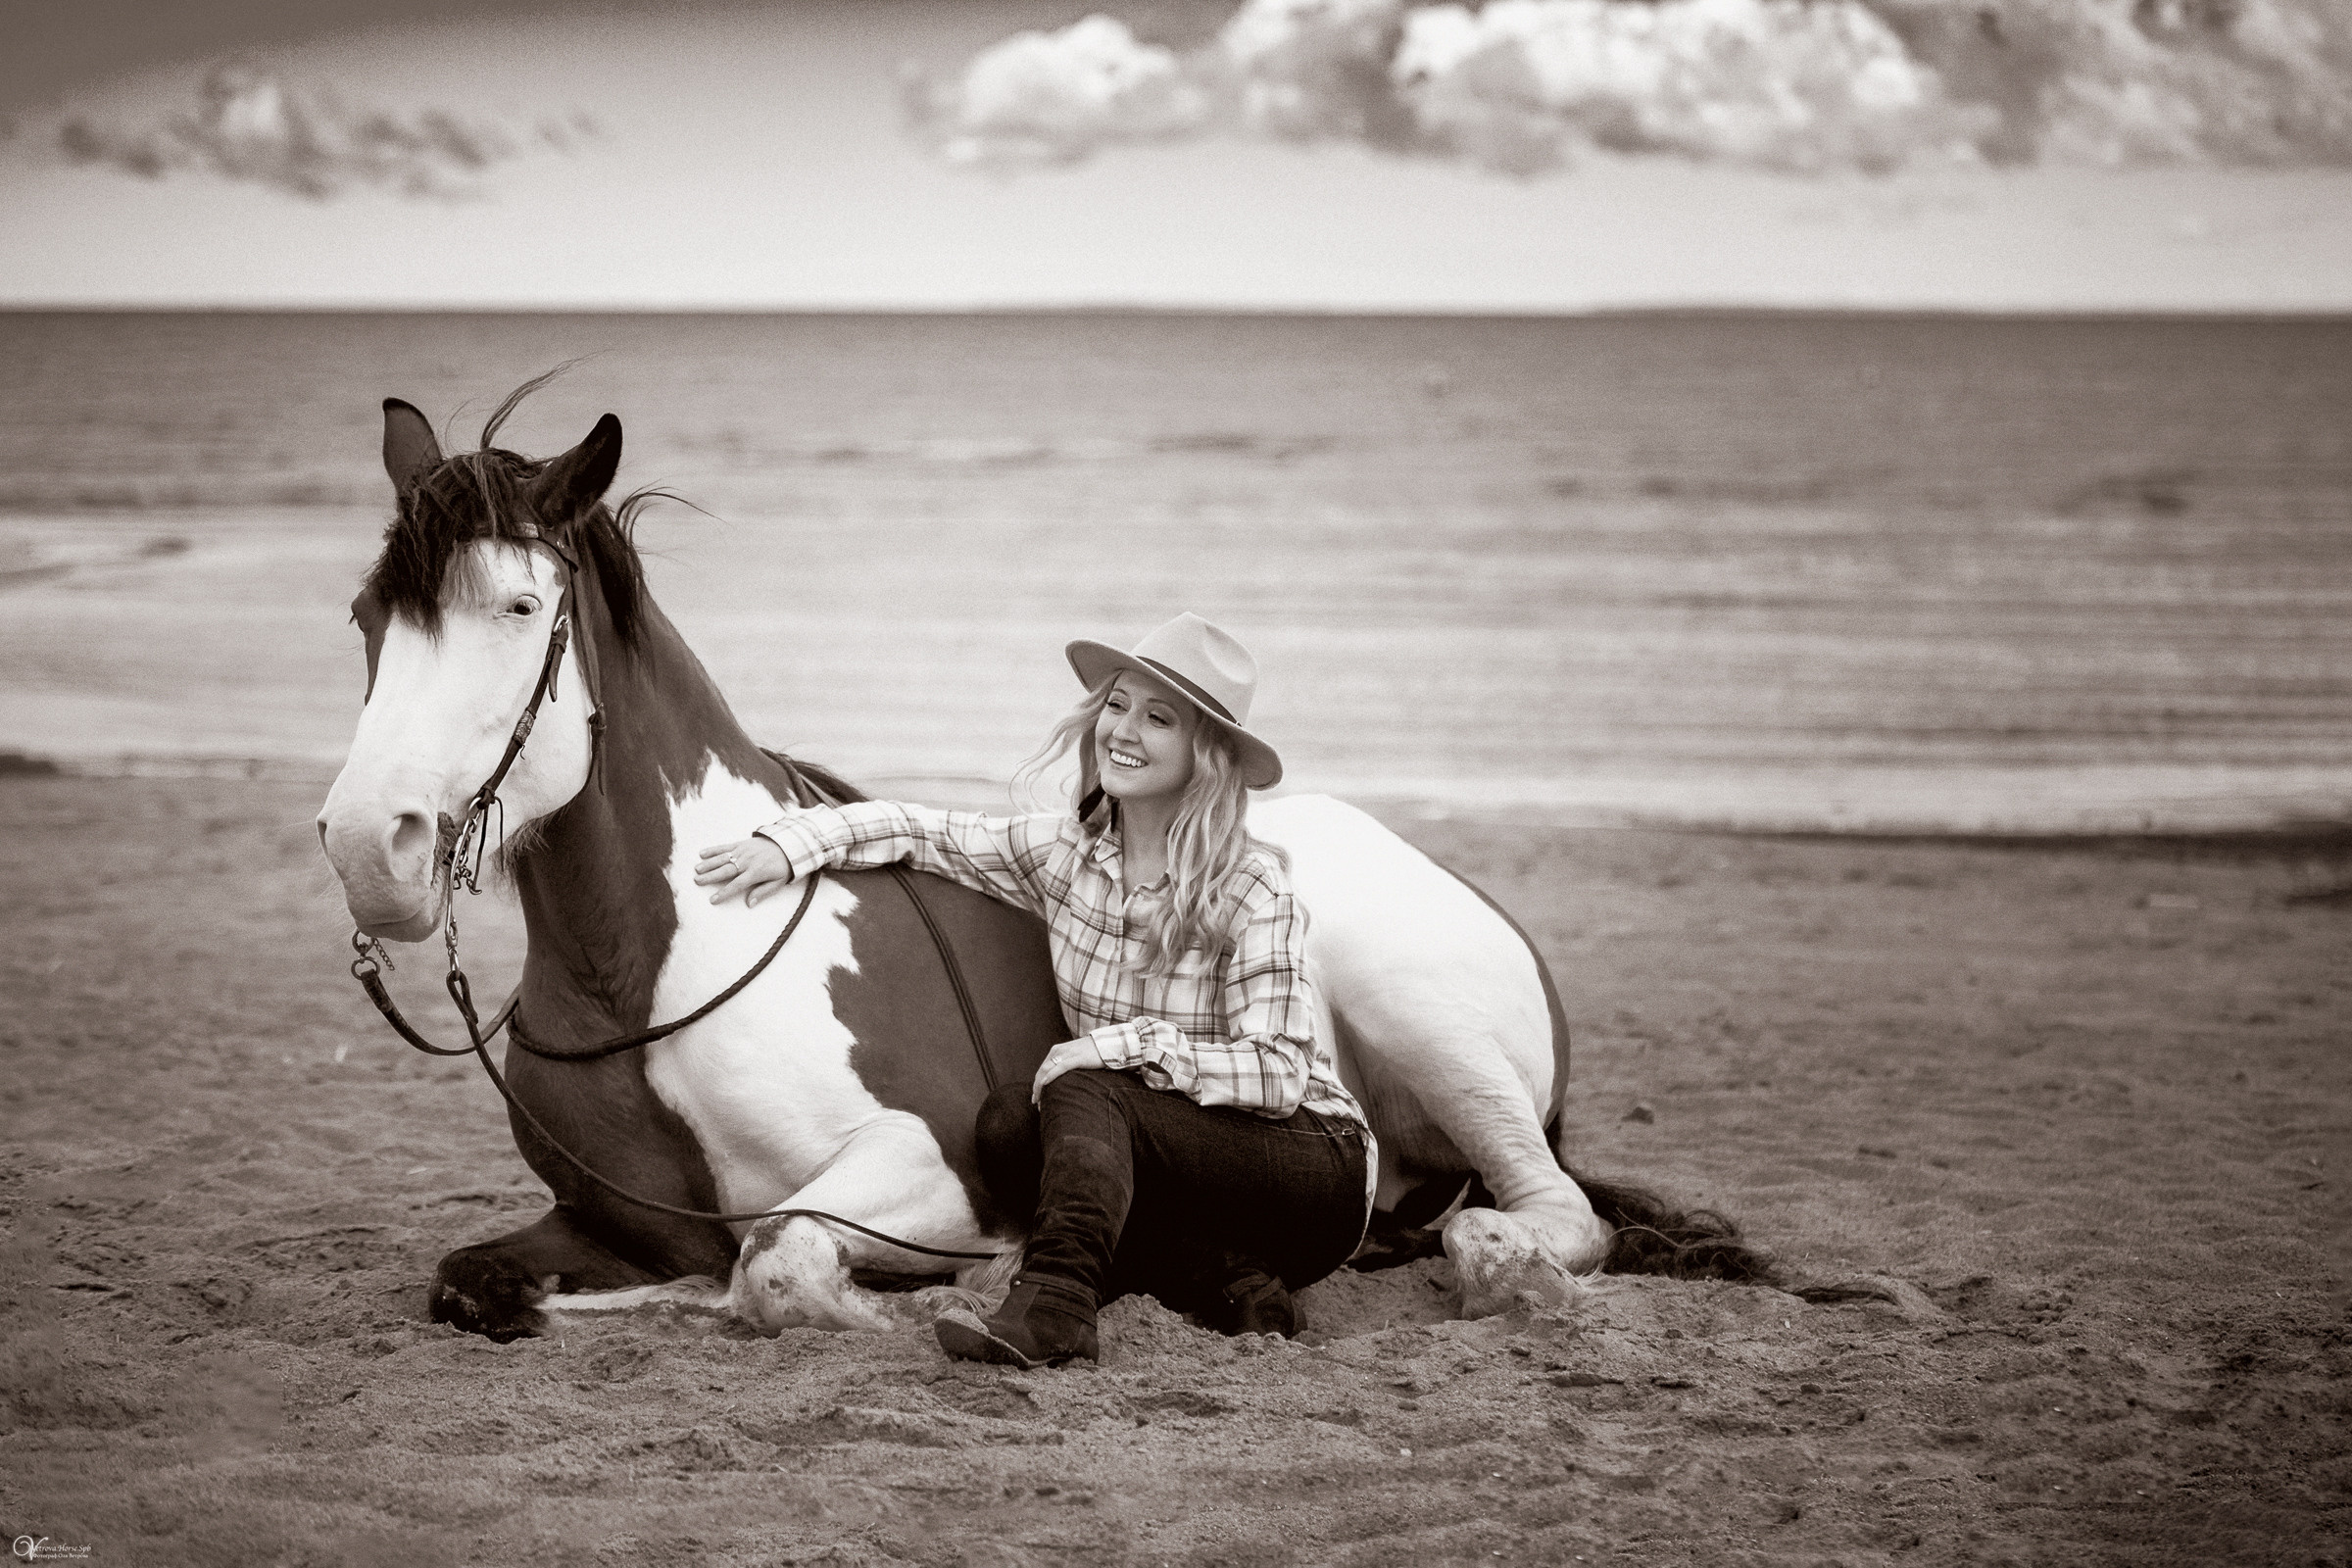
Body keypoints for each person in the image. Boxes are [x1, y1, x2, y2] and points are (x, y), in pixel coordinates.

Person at [693, 612, 1373, 1368]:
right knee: (1011, 1127)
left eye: (1159, 719)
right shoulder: (1062, 854)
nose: (1124, 730)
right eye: (1117, 706)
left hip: (1311, 1168)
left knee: (1083, 1085)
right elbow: (920, 828)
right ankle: (1237, 1283)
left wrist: (1120, 1049)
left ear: (1204, 755)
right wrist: (789, 842)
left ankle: (1056, 1307)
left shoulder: (1252, 884)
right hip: (1189, 1185)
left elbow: (1279, 1072)